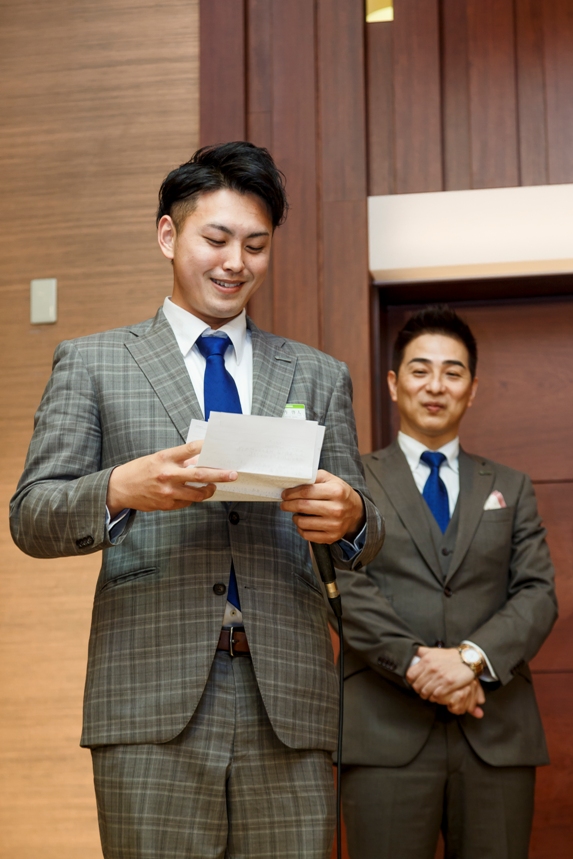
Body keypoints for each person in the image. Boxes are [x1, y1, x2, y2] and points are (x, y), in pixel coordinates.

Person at [10, 141, 384, 859]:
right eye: (216, 239)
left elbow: (363, 534)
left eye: (255, 245)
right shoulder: (93, 363)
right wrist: (121, 488)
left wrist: (353, 516)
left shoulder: (319, 374)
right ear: (167, 235)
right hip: (148, 699)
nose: (235, 262)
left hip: (289, 702)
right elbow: (31, 515)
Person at [336, 305, 557, 859]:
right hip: (383, 733)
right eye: (420, 370)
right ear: (394, 383)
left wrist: (470, 660)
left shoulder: (511, 486)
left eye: (452, 372)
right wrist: (418, 665)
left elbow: (537, 592)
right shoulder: (352, 482)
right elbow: (342, 585)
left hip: (496, 734)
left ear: (472, 389)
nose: (436, 386)